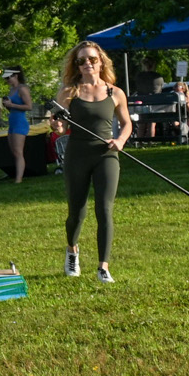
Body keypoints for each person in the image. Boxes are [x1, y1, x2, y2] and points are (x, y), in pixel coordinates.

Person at [57, 43, 132, 282]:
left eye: (91, 59)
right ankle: (72, 250)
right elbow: (60, 125)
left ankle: (103, 267)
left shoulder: (115, 93)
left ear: (101, 61)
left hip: (106, 155)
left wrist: (120, 140)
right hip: (77, 154)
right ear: (76, 66)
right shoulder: (69, 92)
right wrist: (57, 125)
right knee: (76, 212)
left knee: (105, 209)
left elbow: (127, 123)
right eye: (81, 61)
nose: (87, 63)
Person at [4, 68, 34, 184]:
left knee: (18, 151)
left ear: (15, 76)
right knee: (14, 151)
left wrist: (12, 104)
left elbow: (29, 106)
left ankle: (19, 179)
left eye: (8, 77)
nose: (7, 80)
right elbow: (12, 106)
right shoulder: (12, 90)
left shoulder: (22, 89)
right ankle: (17, 176)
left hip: (20, 122)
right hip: (12, 121)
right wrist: (7, 105)